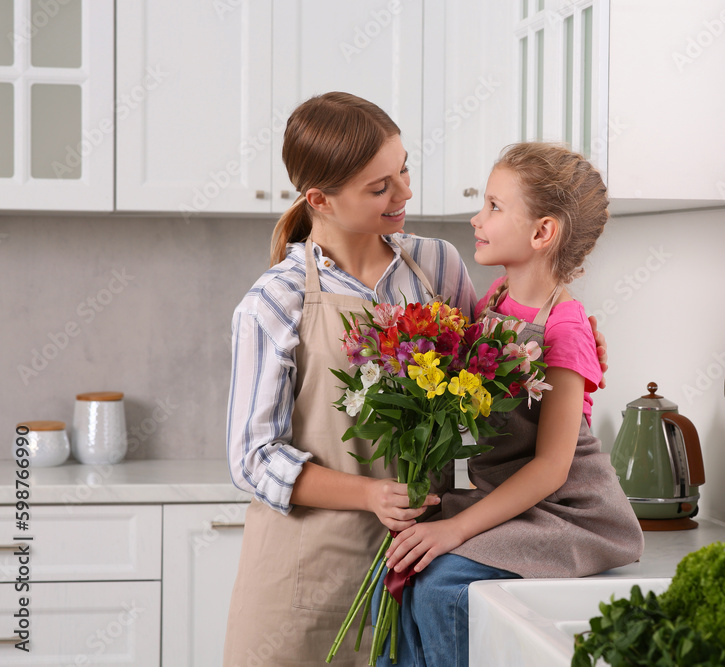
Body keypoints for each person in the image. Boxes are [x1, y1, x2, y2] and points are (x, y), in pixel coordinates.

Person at [223, 93, 610, 666]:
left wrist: (573, 341)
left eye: (403, 169)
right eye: (380, 187)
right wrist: (371, 494)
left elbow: (488, 365)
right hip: (306, 572)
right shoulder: (272, 302)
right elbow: (252, 459)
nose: (404, 193)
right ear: (320, 200)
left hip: (416, 559)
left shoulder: (437, 266)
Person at [377, 143, 645, 667]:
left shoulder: (565, 327)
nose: (478, 218)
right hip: (501, 494)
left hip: (562, 510)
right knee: (392, 586)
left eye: (495, 207)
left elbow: (551, 467)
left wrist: (454, 528)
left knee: (441, 592)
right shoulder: (495, 298)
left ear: (542, 232)